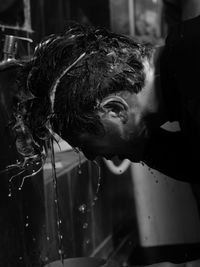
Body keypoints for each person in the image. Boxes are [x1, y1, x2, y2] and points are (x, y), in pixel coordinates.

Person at [12, 12, 200, 183]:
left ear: (115, 110)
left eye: (86, 145)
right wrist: (145, 148)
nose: (92, 155)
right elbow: (193, 163)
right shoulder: (188, 45)